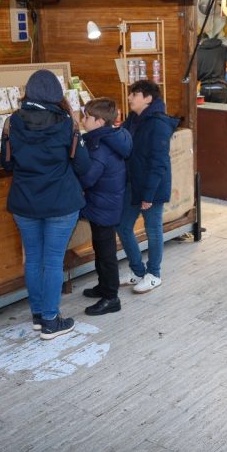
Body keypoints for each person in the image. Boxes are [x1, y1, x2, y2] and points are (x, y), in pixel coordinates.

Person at [1, 69, 89, 340]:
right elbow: (83, 165)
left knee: (33, 259)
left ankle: (39, 316)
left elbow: (6, 164)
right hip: (60, 202)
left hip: (25, 202)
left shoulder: (12, 122)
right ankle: (51, 320)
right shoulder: (67, 123)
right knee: (52, 260)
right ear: (56, 94)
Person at [117, 80, 179, 294]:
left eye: (134, 94)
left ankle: (154, 274)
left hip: (152, 187)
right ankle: (137, 271)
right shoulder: (133, 118)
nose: (129, 98)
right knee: (123, 226)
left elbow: (159, 163)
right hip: (133, 183)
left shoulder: (158, 124)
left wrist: (149, 195)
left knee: (153, 229)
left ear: (148, 98)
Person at [78, 98, 133, 316]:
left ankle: (111, 297)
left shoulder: (100, 146)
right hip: (104, 202)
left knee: (106, 252)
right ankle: (104, 286)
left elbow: (88, 178)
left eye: (87, 117)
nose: (83, 120)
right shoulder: (108, 138)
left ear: (100, 121)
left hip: (104, 205)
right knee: (101, 248)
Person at [197, 32, 227, 103]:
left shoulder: (198, 51)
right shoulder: (223, 48)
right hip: (220, 88)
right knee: (221, 110)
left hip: (205, 88)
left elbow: (195, 71)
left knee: (206, 110)